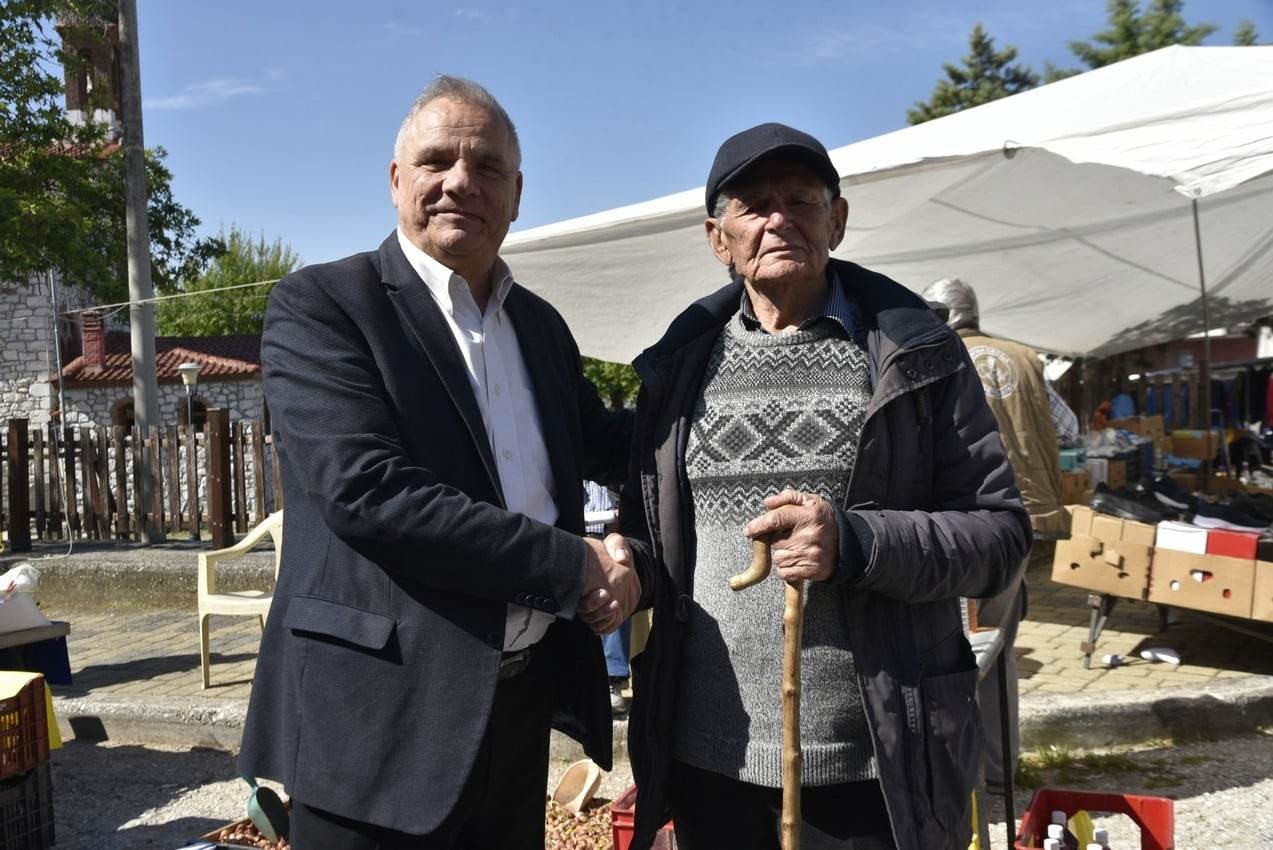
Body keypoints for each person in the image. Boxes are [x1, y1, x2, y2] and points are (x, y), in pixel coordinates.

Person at [237, 76, 636, 850]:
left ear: (516, 193)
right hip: (375, 722)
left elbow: (607, 443)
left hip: (514, 712)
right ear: (396, 180)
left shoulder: (539, 326)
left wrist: (713, 398)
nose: (460, 181)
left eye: (486, 166)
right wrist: (573, 564)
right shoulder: (325, 305)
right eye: (436, 161)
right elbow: (368, 493)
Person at [616, 123, 1031, 850]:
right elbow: (658, 542)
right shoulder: (676, 371)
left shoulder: (916, 356)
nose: (778, 219)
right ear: (718, 239)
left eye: (800, 200)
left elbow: (998, 537)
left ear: (836, 221)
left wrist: (857, 543)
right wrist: (625, 570)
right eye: (753, 205)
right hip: (709, 761)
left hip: (875, 764)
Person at [921, 277, 1070, 792]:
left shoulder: (934, 353)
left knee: (962, 647)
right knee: (998, 644)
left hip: (965, 520)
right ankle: (1000, 772)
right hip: (1021, 515)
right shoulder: (1024, 358)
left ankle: (967, 781)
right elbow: (1067, 429)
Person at [583, 478, 632, 714]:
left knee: (616, 594)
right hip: (574, 539)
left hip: (610, 540)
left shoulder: (616, 474)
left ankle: (612, 680)